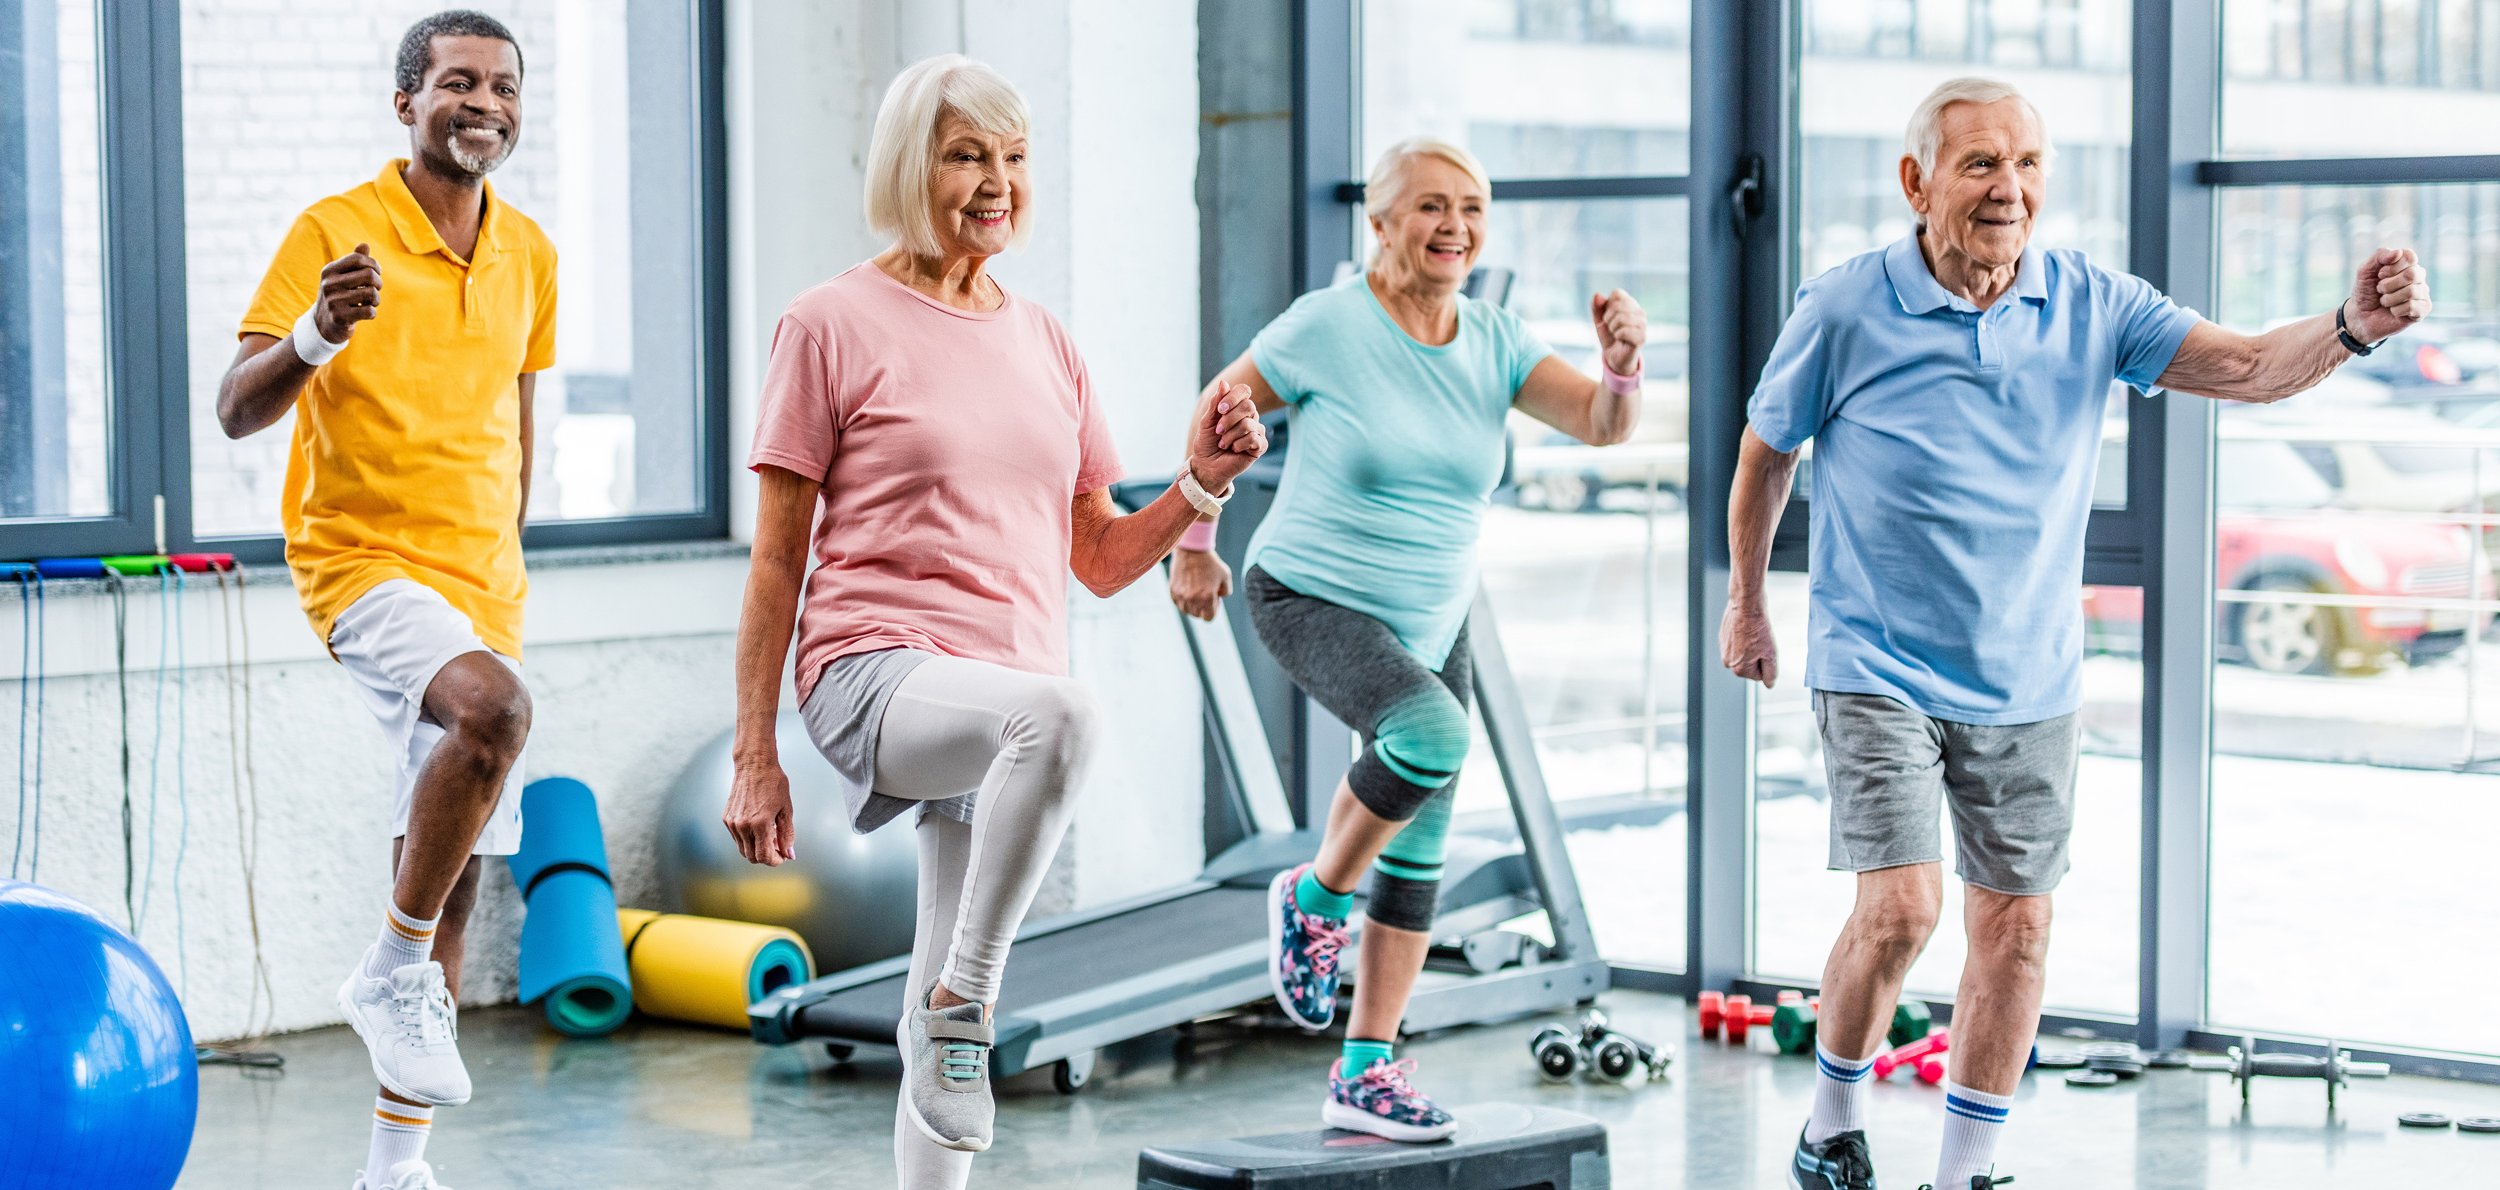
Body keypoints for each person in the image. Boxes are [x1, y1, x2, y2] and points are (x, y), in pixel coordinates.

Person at [1720, 78, 2429, 1190]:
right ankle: (1830, 1122)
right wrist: (1749, 602)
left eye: (2029, 164)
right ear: (1916, 183)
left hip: (2028, 670)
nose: (2010, 188)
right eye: (1979, 164)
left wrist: (2351, 329)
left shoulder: (2091, 301)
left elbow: (2244, 366)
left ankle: (1964, 1171)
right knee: (1901, 907)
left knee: (2016, 932)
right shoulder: (1845, 305)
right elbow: (1767, 452)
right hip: (1874, 660)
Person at [719, 53, 1267, 1190]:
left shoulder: (1047, 342)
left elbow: (1102, 557)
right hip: (871, 667)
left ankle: (945, 1015)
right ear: (909, 166)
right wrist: (754, 751)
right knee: (1061, 722)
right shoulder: (827, 323)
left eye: (1013, 159)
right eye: (967, 154)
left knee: (944, 1076)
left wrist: (1199, 484)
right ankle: (967, 998)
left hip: (999, 685)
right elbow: (776, 561)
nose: (997, 182)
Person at [1167, 138, 1648, 1142]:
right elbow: (1218, 409)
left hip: (1433, 616)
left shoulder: (1495, 339)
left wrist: (1620, 365)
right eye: (1430, 206)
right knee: (1432, 735)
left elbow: (1601, 426)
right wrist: (1197, 542)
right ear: (1379, 224)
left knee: (1420, 840)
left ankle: (1365, 1067)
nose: (1455, 227)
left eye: (1471, 207)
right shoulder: (1328, 327)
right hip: (1307, 591)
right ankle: (1311, 893)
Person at [212, 11, 555, 1190]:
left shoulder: (533, 254)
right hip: (362, 560)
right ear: (406, 102)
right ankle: (388, 964)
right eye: (457, 81)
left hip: (482, 581)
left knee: (447, 861)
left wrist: (509, 557)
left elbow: (519, 426)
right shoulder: (336, 230)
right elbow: (236, 408)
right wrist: (316, 330)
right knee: (497, 717)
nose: (484, 102)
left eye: (503, 85)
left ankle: (394, 1167)